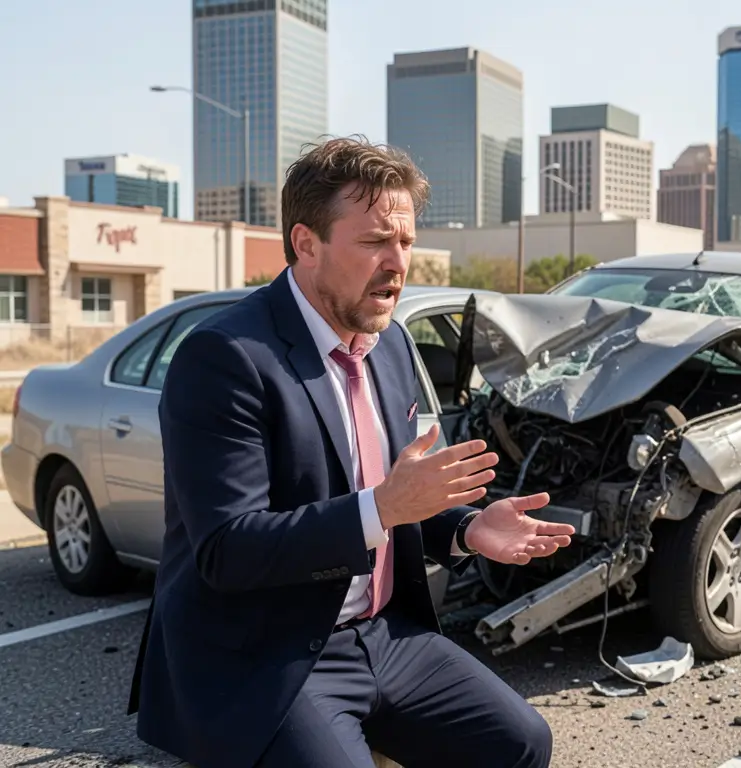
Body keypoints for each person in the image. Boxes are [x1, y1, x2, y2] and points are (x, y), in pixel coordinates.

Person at [127, 137, 575, 768]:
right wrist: (386, 509)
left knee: (522, 741)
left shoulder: (388, 344)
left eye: (406, 243)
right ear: (306, 243)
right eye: (373, 243)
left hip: (385, 635)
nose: (398, 263)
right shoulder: (227, 357)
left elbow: (398, 496)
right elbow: (227, 550)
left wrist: (468, 528)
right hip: (272, 654)